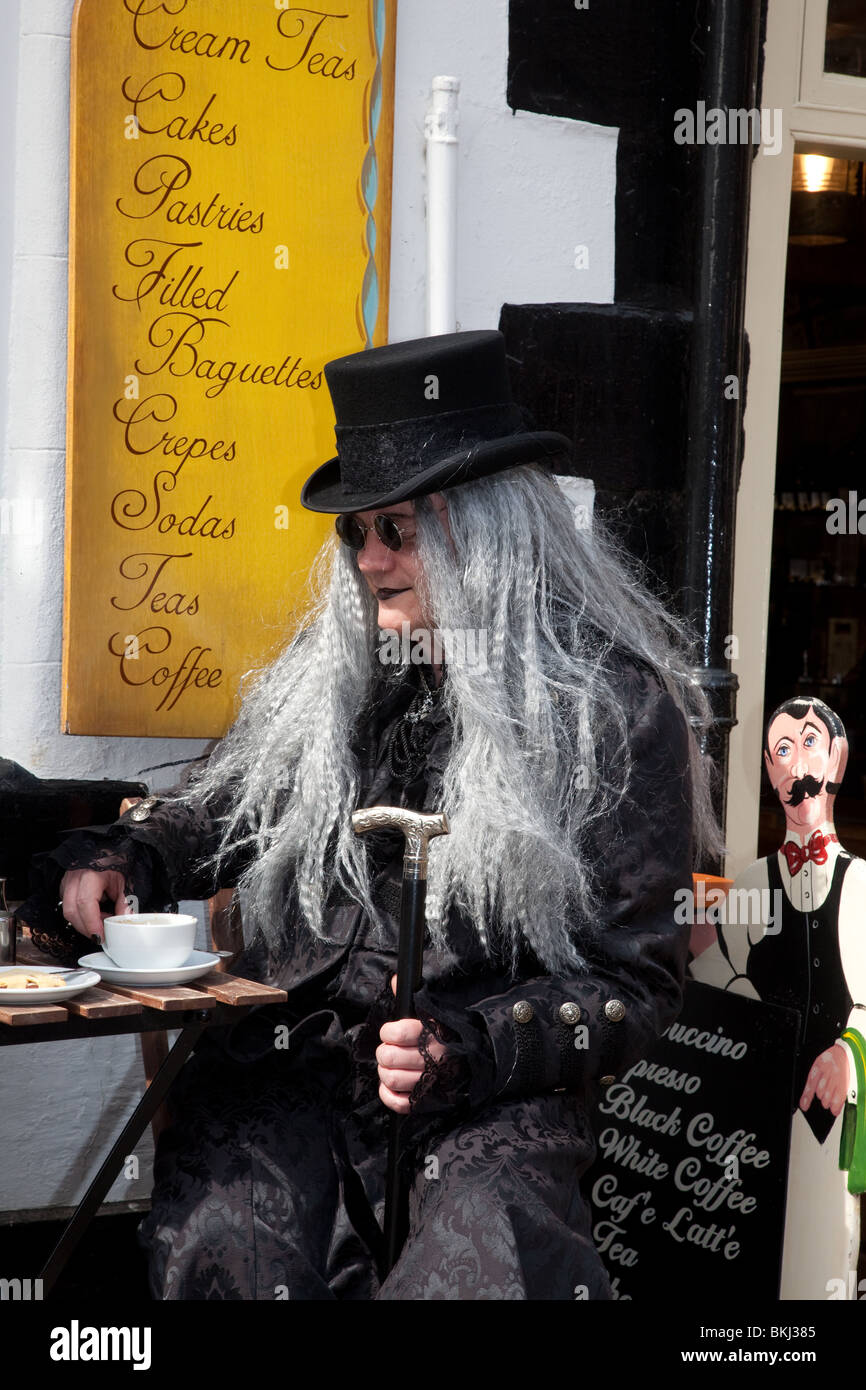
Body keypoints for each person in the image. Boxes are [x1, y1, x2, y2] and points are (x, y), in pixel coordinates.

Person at [23, 330, 720, 1300]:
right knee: (227, 1235)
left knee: (483, 1258)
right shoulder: (337, 680)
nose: (367, 559)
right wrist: (126, 855)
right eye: (354, 533)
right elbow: (223, 810)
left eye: (393, 530)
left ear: (480, 538)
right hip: (297, 1072)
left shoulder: (613, 714)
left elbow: (631, 980)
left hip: (486, 1100)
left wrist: (464, 1045)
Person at [690, 695, 866, 1299]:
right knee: (749, 1269)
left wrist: (849, 1054)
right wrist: (689, 945)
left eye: (810, 742)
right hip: (753, 1126)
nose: (796, 766)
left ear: (838, 758)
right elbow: (717, 982)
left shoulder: (862, 886)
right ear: (769, 772)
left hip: (826, 1132)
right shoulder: (748, 884)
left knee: (819, 1267)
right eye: (781, 752)